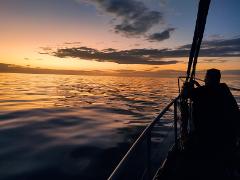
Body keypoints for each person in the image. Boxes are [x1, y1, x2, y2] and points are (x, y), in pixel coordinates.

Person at [183, 68, 239, 177]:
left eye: (206, 77)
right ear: (218, 79)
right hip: (227, 138)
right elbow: (211, 95)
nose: (204, 79)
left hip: (208, 139)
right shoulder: (224, 90)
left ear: (207, 78)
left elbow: (184, 95)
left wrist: (187, 86)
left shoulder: (201, 92)